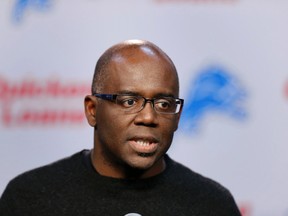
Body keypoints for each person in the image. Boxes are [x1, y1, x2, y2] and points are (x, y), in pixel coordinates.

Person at [0, 39, 241, 216]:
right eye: (129, 101)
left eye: (163, 103)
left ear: (177, 118)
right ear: (92, 111)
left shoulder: (212, 205)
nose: (148, 117)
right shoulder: (29, 199)